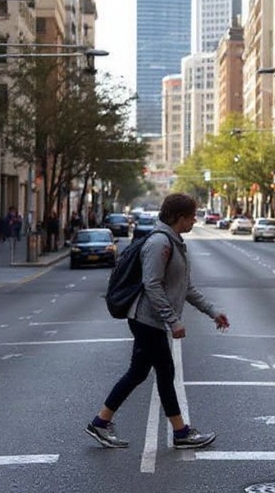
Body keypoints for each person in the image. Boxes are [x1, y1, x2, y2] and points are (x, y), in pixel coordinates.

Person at [85, 193, 229, 451]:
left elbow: (185, 287)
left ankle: (102, 422)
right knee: (163, 373)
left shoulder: (173, 242)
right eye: (191, 216)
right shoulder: (160, 243)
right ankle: (180, 432)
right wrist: (172, 321)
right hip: (146, 319)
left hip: (151, 320)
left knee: (143, 373)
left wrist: (212, 311)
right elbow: (151, 285)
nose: (195, 221)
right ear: (178, 217)